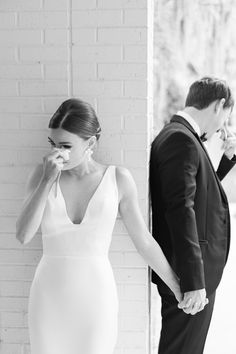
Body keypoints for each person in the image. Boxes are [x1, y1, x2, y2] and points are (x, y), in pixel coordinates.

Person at [16, 98, 188, 354]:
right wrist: (46, 181)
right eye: (52, 144)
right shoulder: (41, 176)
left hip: (96, 296)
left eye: (66, 146)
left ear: (91, 144)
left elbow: (143, 240)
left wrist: (177, 285)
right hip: (48, 296)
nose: (57, 154)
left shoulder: (118, 179)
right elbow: (23, 235)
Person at [149, 77, 236, 354]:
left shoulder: (179, 135)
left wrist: (227, 159)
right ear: (219, 105)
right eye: (227, 116)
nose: (224, 124)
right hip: (189, 277)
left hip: (191, 275)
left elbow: (199, 194)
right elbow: (180, 208)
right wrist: (194, 282)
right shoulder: (180, 139)